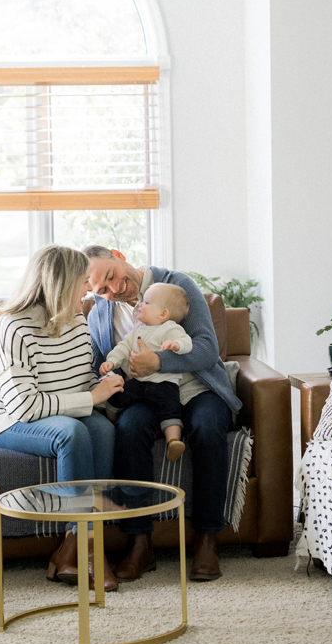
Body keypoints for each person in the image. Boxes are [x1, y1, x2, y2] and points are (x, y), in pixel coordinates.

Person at [84, 246, 242, 582]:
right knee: (129, 427)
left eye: (112, 275)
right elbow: (102, 365)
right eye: (101, 290)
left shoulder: (174, 284)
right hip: (145, 395)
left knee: (208, 423)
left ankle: (207, 539)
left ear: (118, 254)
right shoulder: (98, 315)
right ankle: (139, 542)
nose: (115, 290)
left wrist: (160, 362)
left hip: (196, 387)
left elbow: (206, 347)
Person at [0, 244, 124, 590]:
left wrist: (104, 386)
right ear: (60, 284)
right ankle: (89, 550)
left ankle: (73, 549)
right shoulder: (13, 329)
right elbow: (23, 407)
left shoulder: (77, 322)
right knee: (70, 433)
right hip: (2, 420)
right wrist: (90, 397)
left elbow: (80, 381)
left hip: (48, 412)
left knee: (101, 429)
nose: (89, 290)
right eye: (83, 281)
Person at [99, 282, 194, 462]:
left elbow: (186, 341)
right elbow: (123, 347)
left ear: (163, 313)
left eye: (147, 302)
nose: (140, 304)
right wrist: (111, 361)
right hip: (139, 383)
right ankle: (111, 417)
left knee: (171, 412)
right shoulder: (137, 331)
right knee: (117, 394)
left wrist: (176, 345)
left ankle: (173, 441)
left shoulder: (170, 328)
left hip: (164, 385)